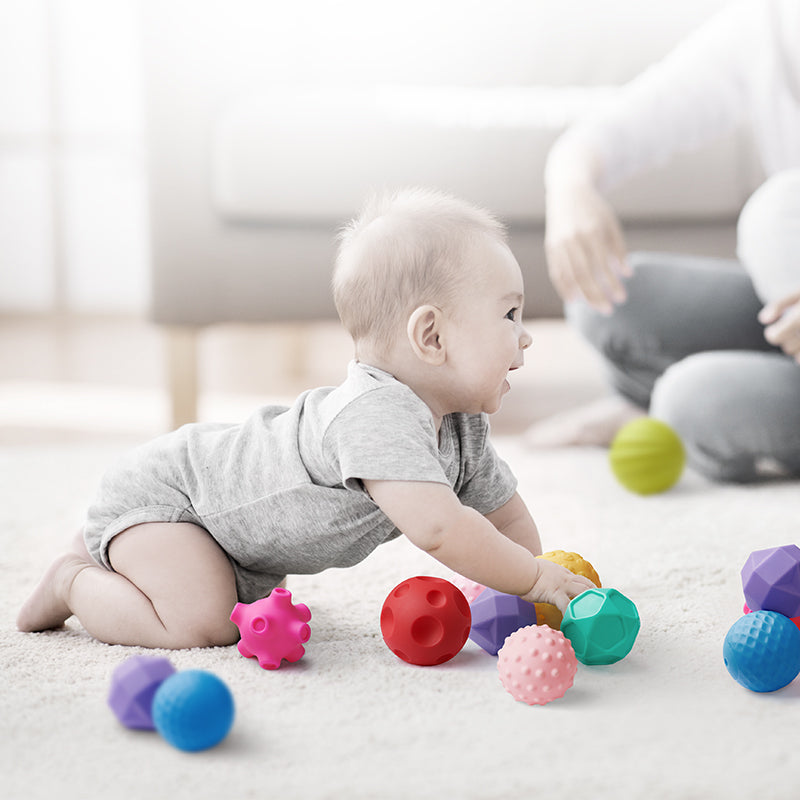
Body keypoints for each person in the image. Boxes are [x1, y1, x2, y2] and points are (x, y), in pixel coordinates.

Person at [17, 187, 594, 649]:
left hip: (232, 540)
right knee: (202, 625)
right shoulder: (376, 414)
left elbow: (505, 520)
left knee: (235, 606)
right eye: (510, 313)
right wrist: (533, 578)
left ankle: (112, 550)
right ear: (432, 336)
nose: (525, 337)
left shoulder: (463, 428)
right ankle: (74, 579)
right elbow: (441, 528)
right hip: (175, 504)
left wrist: (538, 591)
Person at [528, 0, 800, 482]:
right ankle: (653, 405)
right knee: (612, 303)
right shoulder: (762, 25)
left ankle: (670, 411)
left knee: (777, 209)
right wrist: (571, 187)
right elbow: (617, 127)